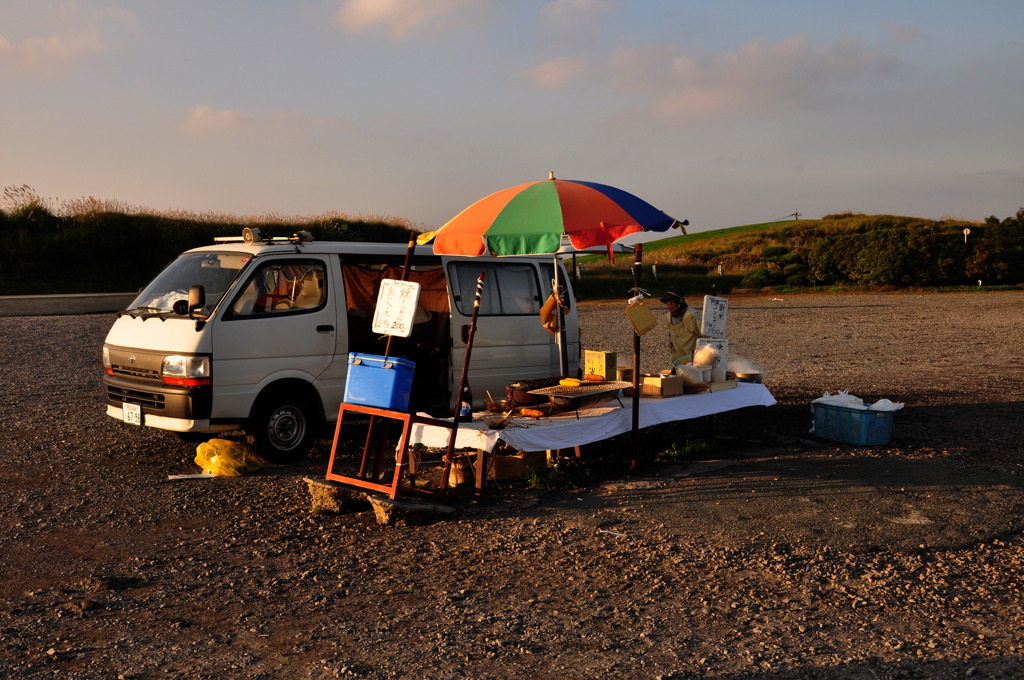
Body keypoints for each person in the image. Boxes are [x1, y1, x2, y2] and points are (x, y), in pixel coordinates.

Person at [661, 288, 702, 364]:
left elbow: (706, 337)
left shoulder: (692, 316)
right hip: (677, 360)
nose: (669, 304)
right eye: (667, 301)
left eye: (672, 301)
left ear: (680, 302)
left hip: (693, 361)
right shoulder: (668, 316)